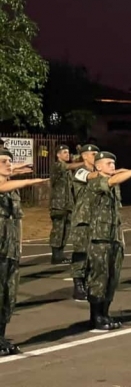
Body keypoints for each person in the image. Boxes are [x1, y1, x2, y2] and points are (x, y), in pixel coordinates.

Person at [74, 151, 131, 330]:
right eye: (108, 163)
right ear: (98, 166)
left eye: (114, 163)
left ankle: (105, 314)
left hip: (113, 237)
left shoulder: (113, 186)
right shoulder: (95, 182)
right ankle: (95, 316)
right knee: (99, 278)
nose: (113, 166)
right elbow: (111, 180)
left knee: (112, 278)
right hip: (99, 238)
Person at [0, 149, 50, 355]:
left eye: (10, 161)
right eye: (2, 161)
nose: (8, 164)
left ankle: (1, 337)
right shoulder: (7, 186)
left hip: (9, 249)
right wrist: (29, 182)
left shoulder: (12, 190)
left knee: (7, 296)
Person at [69, 143, 100, 301]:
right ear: (84, 156)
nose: (96, 156)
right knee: (81, 252)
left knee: (92, 253)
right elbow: (91, 177)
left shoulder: (97, 172)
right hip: (83, 217)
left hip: (96, 217)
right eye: (93, 154)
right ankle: (78, 284)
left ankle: (88, 282)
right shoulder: (81, 172)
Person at [48, 144, 84, 265]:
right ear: (58, 155)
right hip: (58, 204)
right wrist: (85, 163)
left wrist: (82, 154)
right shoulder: (57, 166)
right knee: (58, 230)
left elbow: (75, 161)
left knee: (66, 230)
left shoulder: (67, 168)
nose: (67, 154)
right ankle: (56, 255)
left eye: (68, 152)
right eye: (64, 152)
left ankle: (60, 254)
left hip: (67, 204)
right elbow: (69, 166)